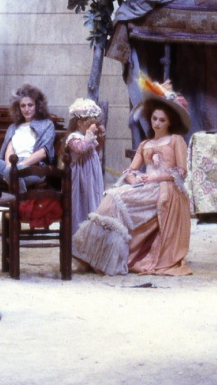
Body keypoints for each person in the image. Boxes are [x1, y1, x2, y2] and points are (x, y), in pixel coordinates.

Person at [73, 77, 192, 277]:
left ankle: (114, 257)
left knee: (118, 200)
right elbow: (130, 170)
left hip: (166, 188)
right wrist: (131, 178)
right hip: (144, 186)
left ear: (170, 121)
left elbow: (181, 172)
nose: (157, 123)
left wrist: (155, 178)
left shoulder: (175, 140)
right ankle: (99, 256)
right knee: (112, 198)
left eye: (162, 120)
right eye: (154, 119)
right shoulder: (145, 144)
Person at [0, 84, 55, 193]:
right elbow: (9, 151)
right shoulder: (13, 127)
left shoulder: (47, 124)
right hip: (12, 164)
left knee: (11, 172)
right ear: (18, 108)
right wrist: (9, 167)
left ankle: (19, 202)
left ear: (37, 106)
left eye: (30, 105)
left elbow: (43, 153)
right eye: (23, 106)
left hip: (35, 167)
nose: (26, 109)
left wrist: (18, 166)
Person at [66, 98, 106, 235]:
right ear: (80, 123)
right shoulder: (73, 137)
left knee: (94, 199)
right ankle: (79, 234)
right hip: (81, 175)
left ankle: (93, 234)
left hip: (92, 174)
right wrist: (89, 133)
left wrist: (101, 135)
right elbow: (81, 148)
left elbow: (97, 149)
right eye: (90, 123)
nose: (93, 126)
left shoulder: (89, 137)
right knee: (81, 202)